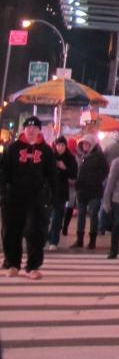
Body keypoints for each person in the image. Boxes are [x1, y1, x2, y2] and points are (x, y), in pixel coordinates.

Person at [0, 117, 58, 279]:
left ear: (39, 130)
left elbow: (52, 175)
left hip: (37, 197)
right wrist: (3, 192)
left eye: (35, 128)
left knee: (35, 231)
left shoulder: (46, 150)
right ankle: (12, 264)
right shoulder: (13, 148)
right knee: (11, 231)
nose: (31, 130)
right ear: (23, 129)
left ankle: (33, 266)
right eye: (28, 127)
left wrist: (53, 195)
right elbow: (3, 172)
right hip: (14, 196)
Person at [72, 136, 109, 250]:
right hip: (81, 190)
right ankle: (79, 239)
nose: (85, 146)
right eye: (83, 144)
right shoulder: (80, 156)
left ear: (92, 144)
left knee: (93, 215)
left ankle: (92, 240)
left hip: (94, 190)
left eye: (87, 144)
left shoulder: (99, 156)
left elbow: (105, 170)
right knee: (81, 215)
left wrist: (96, 179)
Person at [46, 136, 78, 250]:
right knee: (45, 217)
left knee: (57, 217)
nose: (60, 148)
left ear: (66, 146)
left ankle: (54, 241)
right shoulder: (50, 156)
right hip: (49, 191)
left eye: (63, 145)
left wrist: (64, 168)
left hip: (61, 191)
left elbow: (74, 174)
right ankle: (47, 236)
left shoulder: (70, 158)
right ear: (55, 146)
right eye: (58, 145)